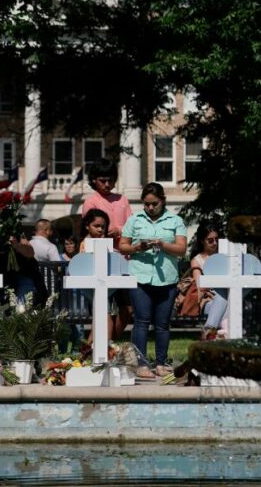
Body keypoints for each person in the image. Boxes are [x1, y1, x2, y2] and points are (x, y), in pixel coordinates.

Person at [119, 182, 187, 379]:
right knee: (141, 321)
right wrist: (137, 248)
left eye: (154, 204)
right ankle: (141, 364)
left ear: (163, 201)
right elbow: (123, 246)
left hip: (166, 278)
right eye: (146, 204)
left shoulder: (175, 220)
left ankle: (161, 363)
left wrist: (163, 244)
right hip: (140, 276)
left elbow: (182, 249)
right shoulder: (134, 219)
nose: (150, 208)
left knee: (163, 323)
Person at [81, 159, 134, 342]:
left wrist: (118, 230)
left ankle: (110, 344)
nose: (107, 184)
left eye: (110, 180)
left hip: (122, 261)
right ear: (94, 180)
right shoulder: (90, 202)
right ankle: (98, 347)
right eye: (102, 180)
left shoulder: (123, 200)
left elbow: (133, 227)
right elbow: (87, 228)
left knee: (127, 309)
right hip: (99, 263)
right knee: (101, 311)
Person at [189, 222, 228, 340]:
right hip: (208, 299)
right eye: (210, 240)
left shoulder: (225, 255)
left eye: (216, 239)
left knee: (226, 300)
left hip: (228, 297)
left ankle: (210, 333)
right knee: (222, 296)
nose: (215, 243)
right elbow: (200, 286)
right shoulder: (197, 260)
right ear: (202, 241)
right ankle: (214, 332)